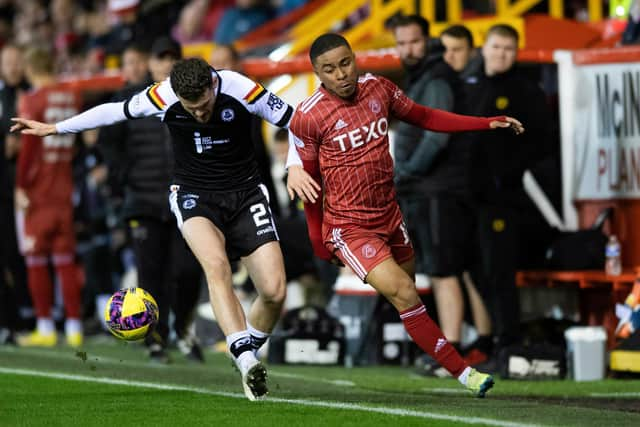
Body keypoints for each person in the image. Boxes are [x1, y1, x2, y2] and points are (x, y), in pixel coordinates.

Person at [12, 57, 297, 401]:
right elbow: (112, 111)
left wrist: (295, 165)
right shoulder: (162, 95)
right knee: (216, 266)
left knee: (274, 290)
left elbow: (295, 122)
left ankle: (247, 343)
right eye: (191, 109)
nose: (200, 114)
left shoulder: (241, 88)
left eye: (205, 105)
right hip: (194, 195)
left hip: (246, 193)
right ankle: (246, 359)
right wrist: (56, 128)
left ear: (212, 85)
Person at [286, 33, 523, 397]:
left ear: (354, 58)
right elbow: (310, 185)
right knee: (405, 292)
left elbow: (425, 116)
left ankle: (422, 343)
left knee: (409, 294)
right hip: (349, 228)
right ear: (318, 73)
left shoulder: (379, 89)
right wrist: (319, 241)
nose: (341, 75)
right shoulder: (308, 116)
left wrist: (484, 122)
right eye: (330, 70)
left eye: (345, 63)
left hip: (390, 217)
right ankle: (464, 373)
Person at [97, 38, 206, 363]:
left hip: (185, 201)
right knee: (151, 272)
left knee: (187, 271)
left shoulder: (195, 97)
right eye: (160, 59)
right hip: (143, 200)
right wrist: (125, 175)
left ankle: (183, 329)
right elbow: (107, 142)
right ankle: (155, 338)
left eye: (172, 59)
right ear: (150, 63)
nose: (165, 65)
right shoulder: (133, 99)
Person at [461, 24, 553, 367]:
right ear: (484, 48)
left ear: (516, 52)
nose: (501, 54)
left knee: (500, 271)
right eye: (497, 47)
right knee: (472, 267)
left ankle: (509, 343)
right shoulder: (472, 87)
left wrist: (505, 175)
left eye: (508, 49)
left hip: (504, 199)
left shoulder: (525, 91)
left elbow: (542, 142)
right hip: (470, 196)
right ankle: (496, 336)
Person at [14, 47, 84, 348]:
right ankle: (74, 326)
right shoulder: (71, 96)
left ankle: (45, 326)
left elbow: (28, 150)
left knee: (37, 260)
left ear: (31, 68)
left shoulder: (33, 99)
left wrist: (19, 186)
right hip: (65, 187)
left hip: (39, 191)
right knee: (66, 260)